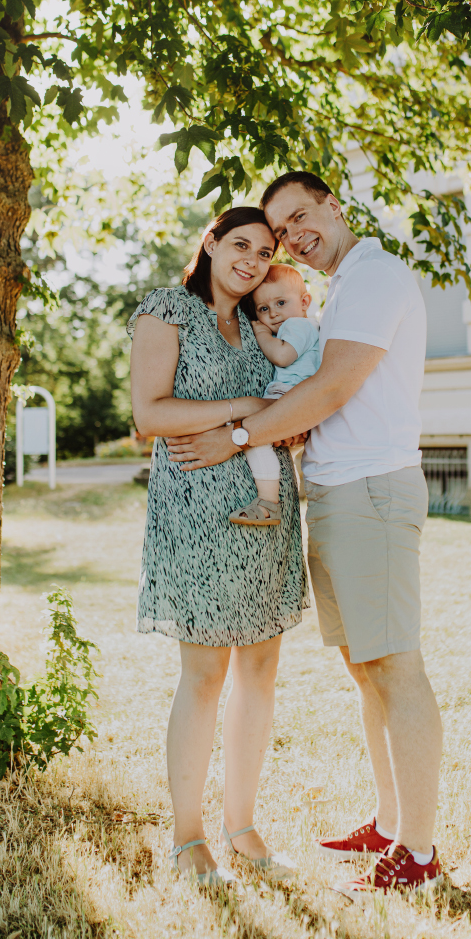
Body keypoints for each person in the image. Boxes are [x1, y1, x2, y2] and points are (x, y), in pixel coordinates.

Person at [166, 173, 444, 896]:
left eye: (299, 217)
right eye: (281, 229)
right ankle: (387, 826)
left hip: (369, 492)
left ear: (334, 206)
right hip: (334, 492)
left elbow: (328, 390)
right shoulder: (339, 287)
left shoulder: (376, 276)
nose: (292, 235)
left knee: (395, 667)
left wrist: (236, 436)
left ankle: (416, 854)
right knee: (365, 668)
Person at [128, 206, 308, 886]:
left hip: (266, 516)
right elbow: (150, 414)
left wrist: (270, 418)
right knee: (204, 677)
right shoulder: (169, 309)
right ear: (209, 243)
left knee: (259, 673)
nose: (252, 261)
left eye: (263, 252)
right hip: (198, 514)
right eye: (240, 244)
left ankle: (243, 825)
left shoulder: (265, 323)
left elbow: (292, 401)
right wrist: (246, 410)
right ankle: (187, 836)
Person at [231, 263, 320, 527]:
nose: (274, 314)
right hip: (298, 398)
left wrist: (261, 333)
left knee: (253, 436)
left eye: (281, 302)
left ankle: (268, 502)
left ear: (304, 302)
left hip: (288, 396)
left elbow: (282, 356)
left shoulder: (298, 326)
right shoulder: (301, 327)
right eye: (264, 309)